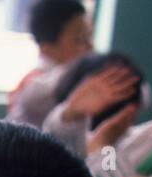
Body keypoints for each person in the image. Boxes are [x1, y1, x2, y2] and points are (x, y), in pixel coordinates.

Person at [7, 0, 94, 128]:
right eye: (79, 40)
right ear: (47, 48)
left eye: (90, 36)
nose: (90, 47)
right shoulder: (36, 87)